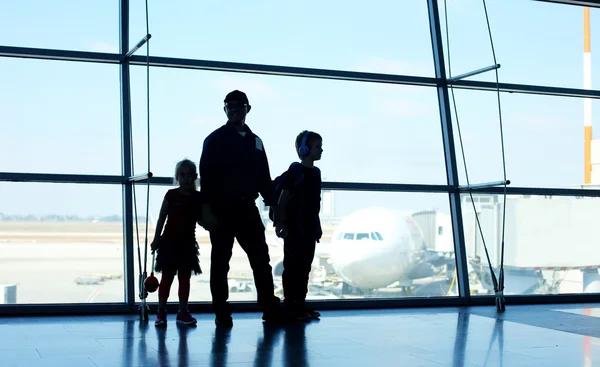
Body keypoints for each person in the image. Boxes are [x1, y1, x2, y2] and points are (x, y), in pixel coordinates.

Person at [199, 90, 284, 327]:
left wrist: (273, 204)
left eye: (239, 106)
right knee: (220, 262)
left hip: (247, 207)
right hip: (221, 210)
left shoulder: (256, 142)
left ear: (248, 109)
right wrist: (205, 210)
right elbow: (205, 178)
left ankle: (269, 306)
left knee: (260, 259)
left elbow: (263, 177)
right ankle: (221, 311)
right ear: (225, 110)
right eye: (229, 106)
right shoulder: (214, 140)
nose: (234, 109)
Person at [272, 130, 324, 320]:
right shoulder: (295, 171)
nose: (321, 150)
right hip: (294, 229)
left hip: (309, 229)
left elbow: (314, 205)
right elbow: (283, 199)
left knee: (304, 268)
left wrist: (316, 228)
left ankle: (299, 303)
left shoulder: (316, 173)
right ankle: (291, 304)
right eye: (318, 146)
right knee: (293, 267)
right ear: (304, 149)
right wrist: (281, 222)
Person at [150, 159, 203, 327]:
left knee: (184, 279)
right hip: (169, 243)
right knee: (166, 278)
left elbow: (202, 218)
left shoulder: (197, 197)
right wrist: (156, 238)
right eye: (182, 175)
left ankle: (182, 311)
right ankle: (161, 312)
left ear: (195, 177)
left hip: (187, 244)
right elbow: (161, 218)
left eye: (189, 175)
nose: (186, 179)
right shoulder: (171, 195)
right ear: (177, 177)